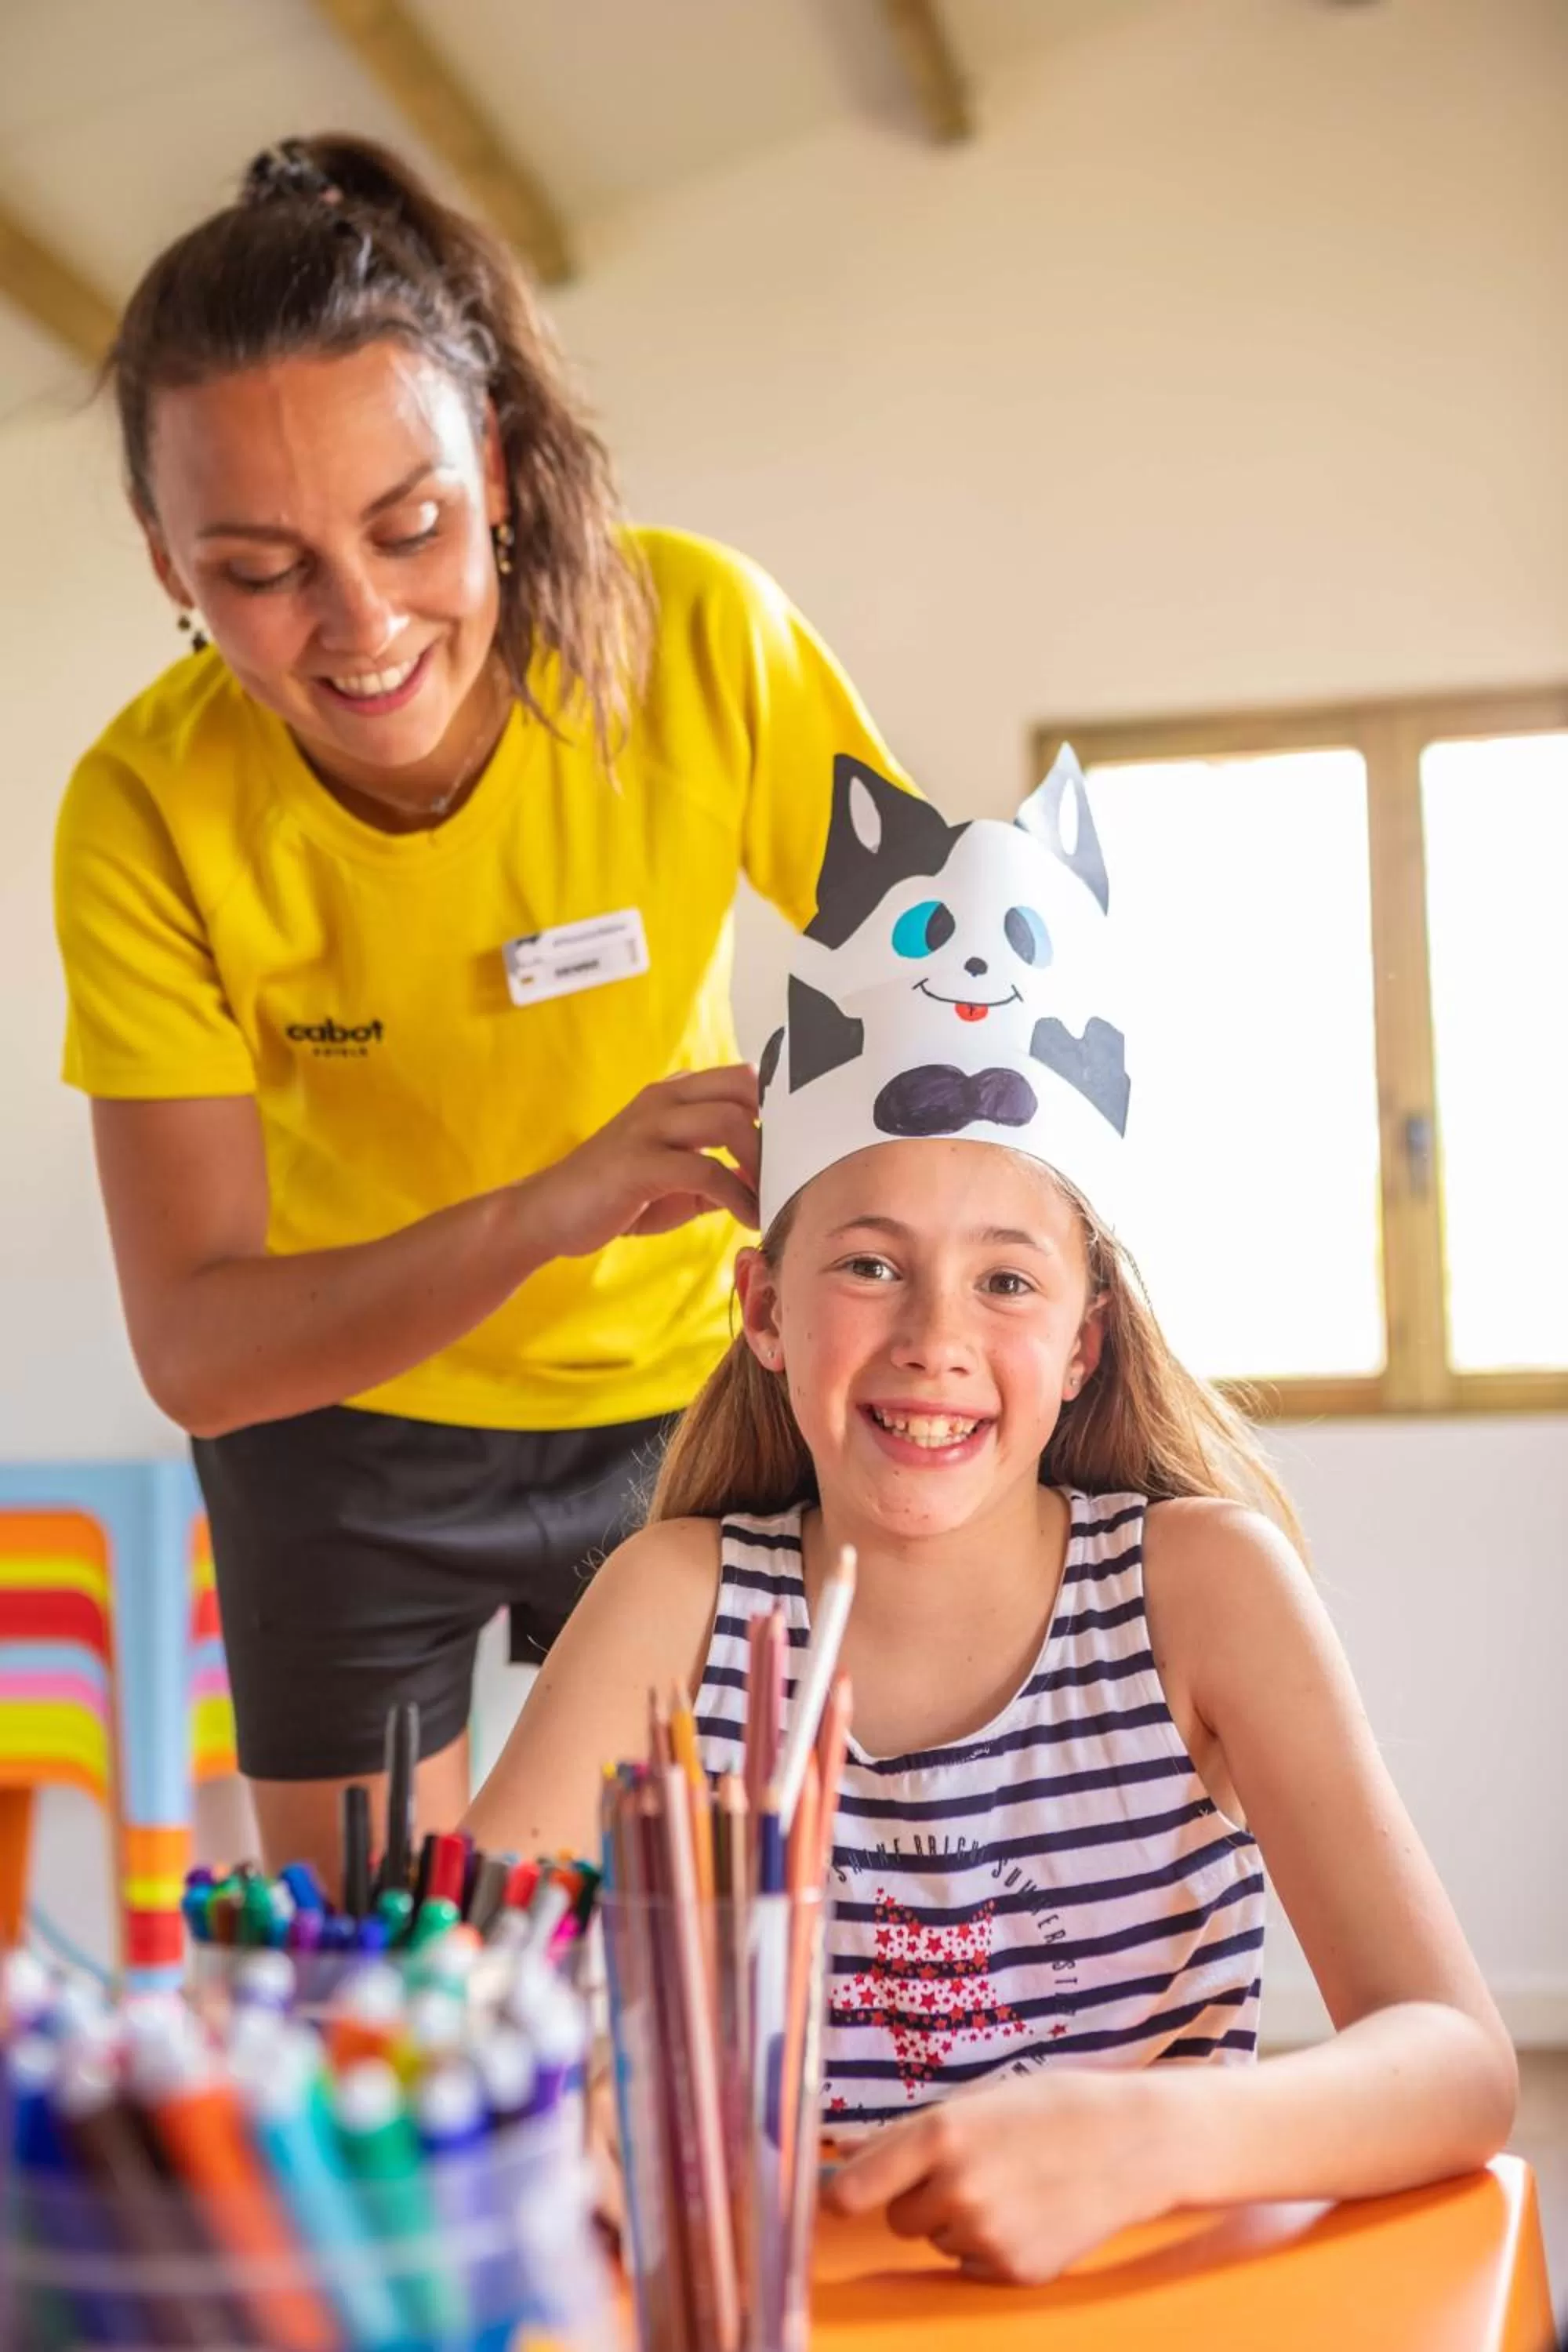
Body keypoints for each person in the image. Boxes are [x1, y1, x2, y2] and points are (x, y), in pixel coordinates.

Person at [466, 750, 1515, 2283]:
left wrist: (1142, 2138)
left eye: (1007, 1280)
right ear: (760, 1306)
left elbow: (1458, 2065)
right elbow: (446, 1998)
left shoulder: (1199, 1588)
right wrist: (558, 2113)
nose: (932, 1338)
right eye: (868, 1264)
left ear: (1084, 1336)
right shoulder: (673, 1604)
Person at [53, 133, 907, 1880]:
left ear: (498, 466)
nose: (359, 629)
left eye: (410, 525)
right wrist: (548, 1208)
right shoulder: (144, 810)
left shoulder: (694, 639)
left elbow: (941, 989)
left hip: (688, 1396)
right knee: (382, 1981)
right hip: (344, 1437)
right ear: (165, 564)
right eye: (258, 570)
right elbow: (201, 1348)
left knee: (729, 1939)